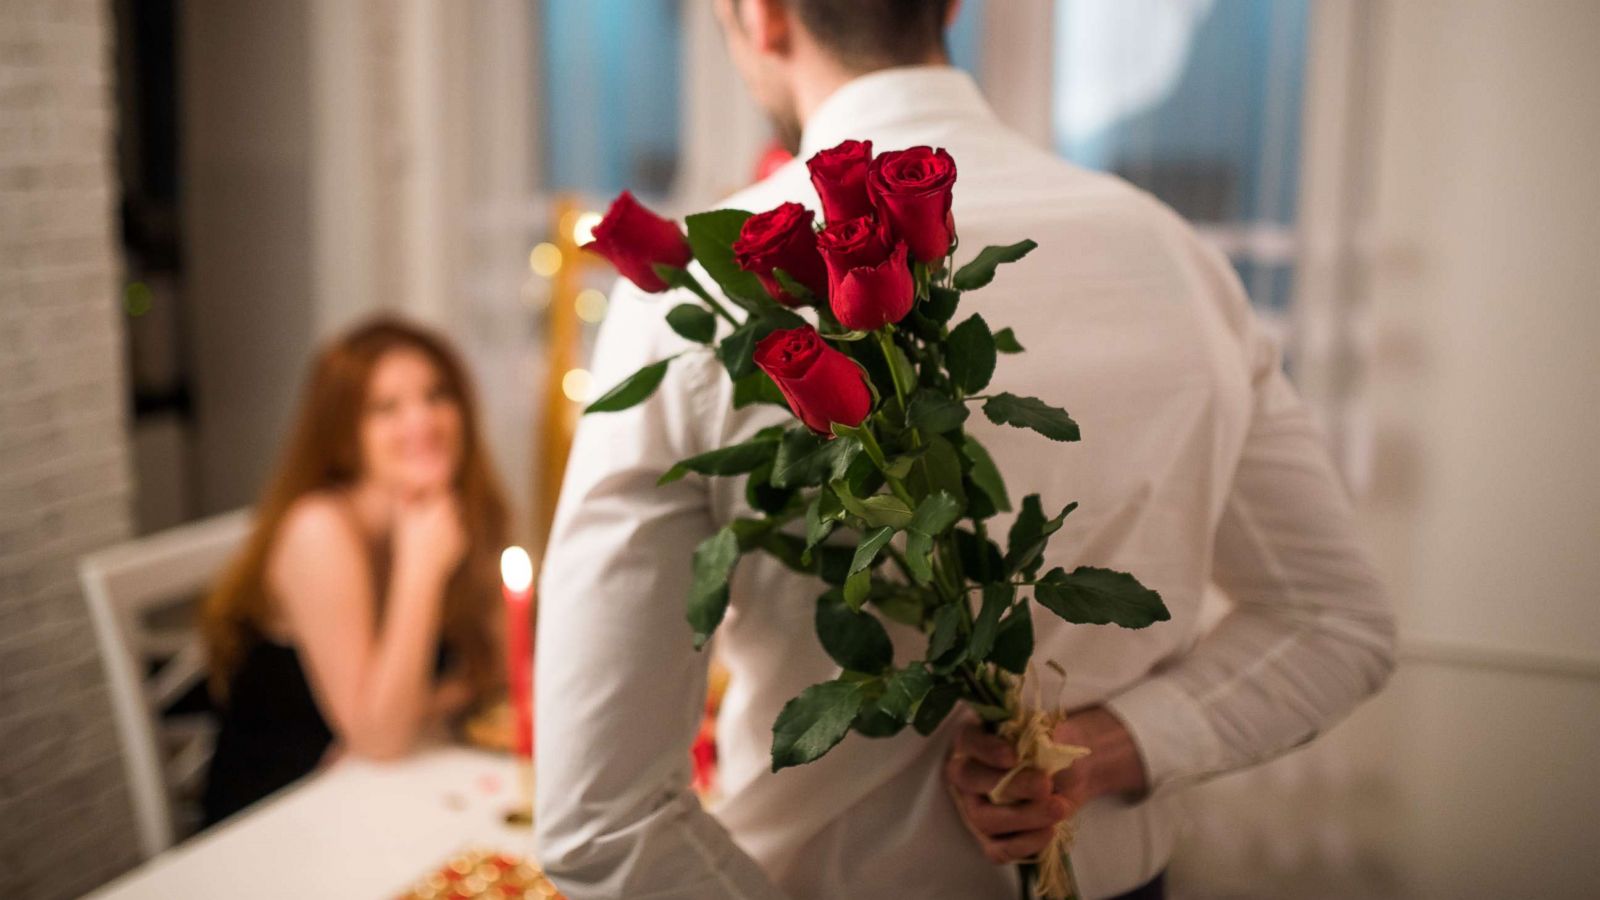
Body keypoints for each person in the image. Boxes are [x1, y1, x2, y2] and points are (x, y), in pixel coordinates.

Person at [534, 1, 1396, 898]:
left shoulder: (696, 305)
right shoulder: (1176, 258)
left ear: (759, 14)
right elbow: (1335, 624)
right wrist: (1114, 743)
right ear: (949, 6)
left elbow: (600, 817)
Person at [199, 317, 510, 826]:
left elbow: (498, 667)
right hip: (282, 815)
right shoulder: (317, 529)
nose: (423, 421)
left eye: (437, 395)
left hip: (386, 796)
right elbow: (383, 740)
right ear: (344, 435)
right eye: (385, 408)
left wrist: (418, 708)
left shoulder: (450, 509)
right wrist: (420, 570)